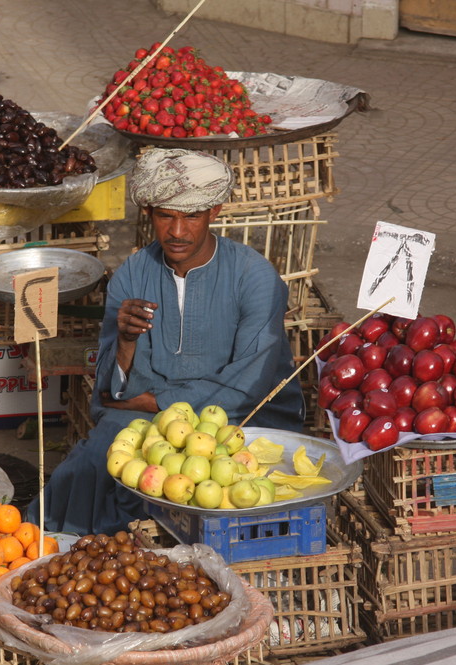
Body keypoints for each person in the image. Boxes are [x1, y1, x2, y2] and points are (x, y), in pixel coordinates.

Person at [26, 148, 305, 536]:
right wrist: (125, 341)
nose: (177, 231)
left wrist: (160, 403)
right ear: (149, 215)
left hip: (242, 416)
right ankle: (52, 548)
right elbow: (114, 392)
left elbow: (250, 382)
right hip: (147, 416)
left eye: (191, 216)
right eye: (165, 216)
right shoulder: (133, 275)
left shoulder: (254, 276)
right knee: (89, 463)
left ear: (215, 212)